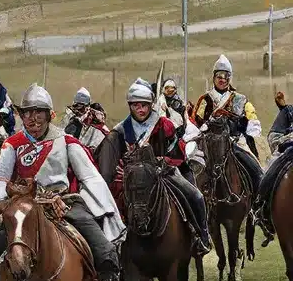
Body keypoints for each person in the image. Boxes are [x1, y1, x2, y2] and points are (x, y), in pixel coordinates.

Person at [0, 84, 127, 281]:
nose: (33, 118)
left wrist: (95, 203)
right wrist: (4, 200)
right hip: (24, 205)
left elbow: (90, 176)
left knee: (101, 244)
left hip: (62, 203)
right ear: (21, 116)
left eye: (39, 112)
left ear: (49, 115)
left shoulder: (66, 141)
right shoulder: (13, 144)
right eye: (27, 113)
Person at [102, 80, 211, 253]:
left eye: (144, 105)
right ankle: (110, 249)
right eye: (136, 105)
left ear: (150, 105)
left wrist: (164, 161)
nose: (141, 109)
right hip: (131, 181)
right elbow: (108, 162)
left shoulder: (164, 125)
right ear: (130, 106)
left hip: (164, 174)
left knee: (196, 196)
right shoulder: (120, 131)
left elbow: (178, 152)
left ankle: (201, 237)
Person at [192, 55, 265, 192]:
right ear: (214, 77)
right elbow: (195, 123)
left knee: (255, 167)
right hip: (208, 142)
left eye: (226, 76)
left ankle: (258, 201)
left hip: (234, 141)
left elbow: (253, 122)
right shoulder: (205, 100)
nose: (222, 79)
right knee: (191, 167)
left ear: (229, 78)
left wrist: (249, 132)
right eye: (219, 76)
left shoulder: (240, 99)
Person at [63, 88, 110, 153]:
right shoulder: (70, 118)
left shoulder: (97, 126)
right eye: (76, 108)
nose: (78, 112)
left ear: (88, 108)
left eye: (81, 109)